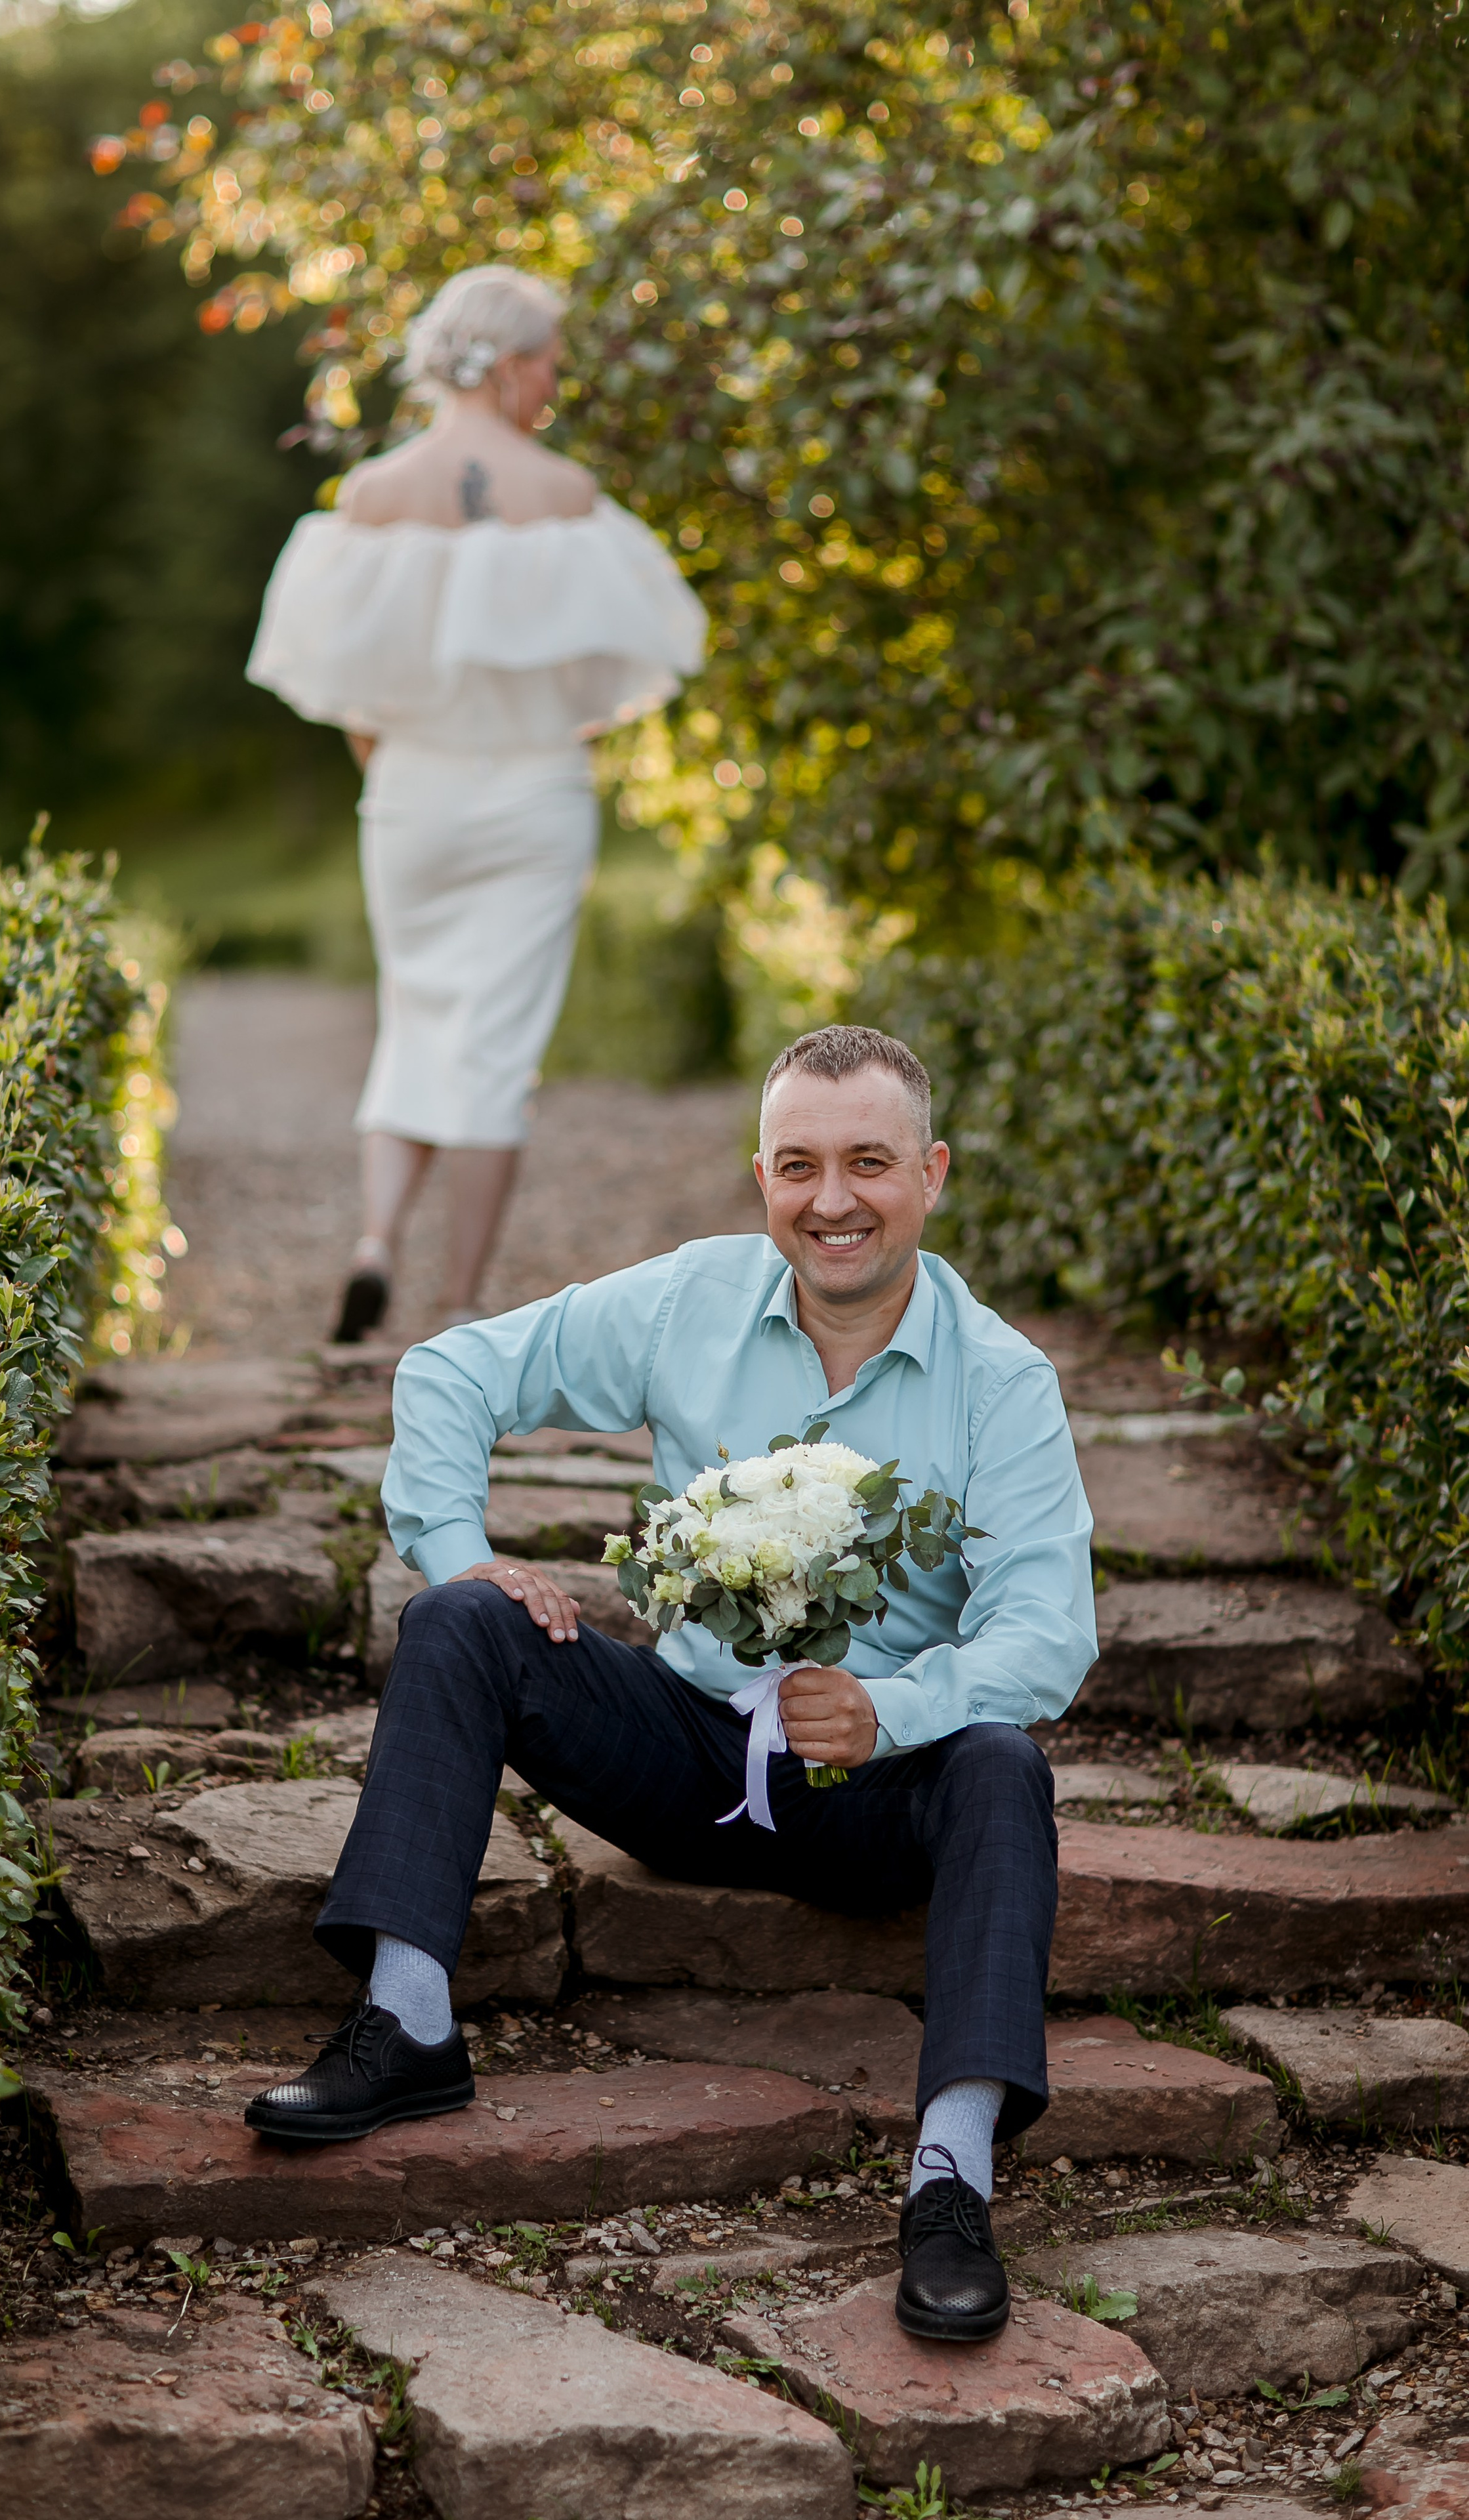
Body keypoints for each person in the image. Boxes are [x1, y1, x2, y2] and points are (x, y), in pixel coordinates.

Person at [245, 1022, 1097, 2344]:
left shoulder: (1000, 1381)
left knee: (1002, 1762)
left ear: (930, 1174)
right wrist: (466, 1556)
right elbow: (452, 1370)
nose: (831, 1201)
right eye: (797, 1166)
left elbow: (1047, 1630)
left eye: (868, 1163)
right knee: (458, 1623)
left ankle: (951, 2177)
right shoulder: (691, 1298)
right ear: (760, 1177)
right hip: (684, 1755)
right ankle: (404, 2023)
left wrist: (891, 1711)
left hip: (877, 1792)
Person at [247, 264, 707, 1342]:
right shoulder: (567, 497)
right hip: (536, 789)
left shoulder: (374, 497)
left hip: (412, 793)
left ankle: (375, 1245)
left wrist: (406, 767)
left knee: (414, 1019)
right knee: (499, 1052)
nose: (555, 384)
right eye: (549, 364)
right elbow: (607, 678)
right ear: (507, 367)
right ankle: (458, 1307)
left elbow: (349, 686)